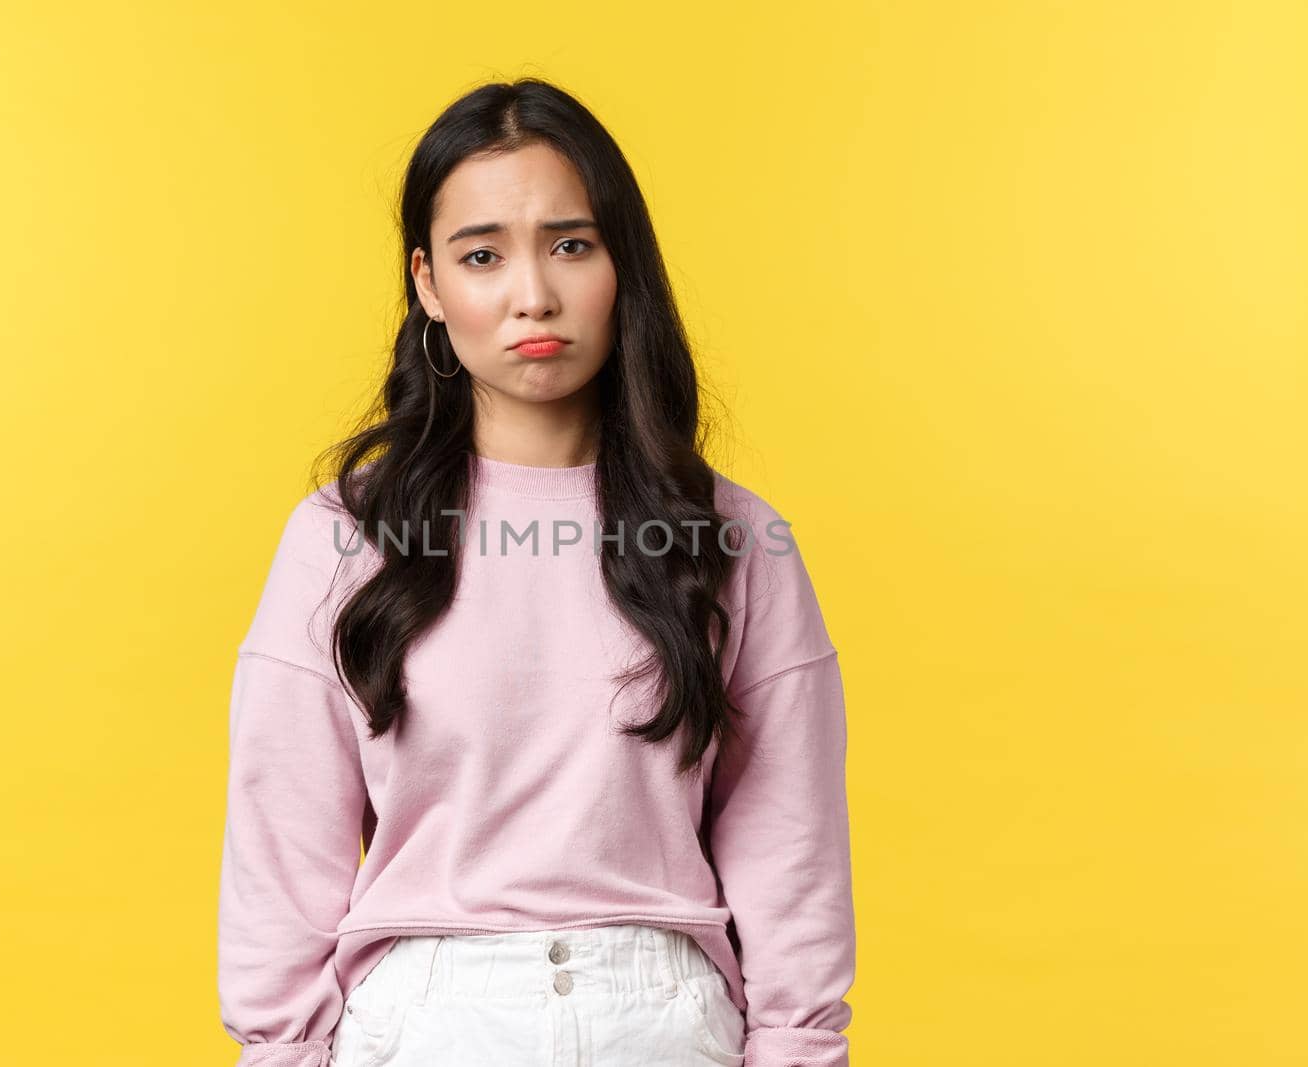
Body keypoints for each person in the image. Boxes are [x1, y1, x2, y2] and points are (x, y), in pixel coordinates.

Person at [217, 78, 855, 1067]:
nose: (532, 295)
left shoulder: (731, 536)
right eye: (482, 255)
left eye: (570, 244)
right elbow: (280, 847)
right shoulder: (344, 536)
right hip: (425, 1017)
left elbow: (790, 844)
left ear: (619, 265)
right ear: (429, 284)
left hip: (666, 1017)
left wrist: (798, 1046)